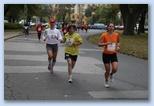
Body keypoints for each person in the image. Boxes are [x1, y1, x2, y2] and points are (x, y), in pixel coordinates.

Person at [98, 22, 120, 88]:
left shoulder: (116, 35)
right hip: (106, 54)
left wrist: (118, 46)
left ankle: (111, 74)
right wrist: (106, 44)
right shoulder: (104, 35)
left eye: (112, 26)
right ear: (107, 27)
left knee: (115, 68)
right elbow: (99, 44)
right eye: (110, 26)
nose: (111, 28)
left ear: (114, 28)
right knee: (107, 69)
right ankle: (106, 80)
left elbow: (118, 41)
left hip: (113, 54)